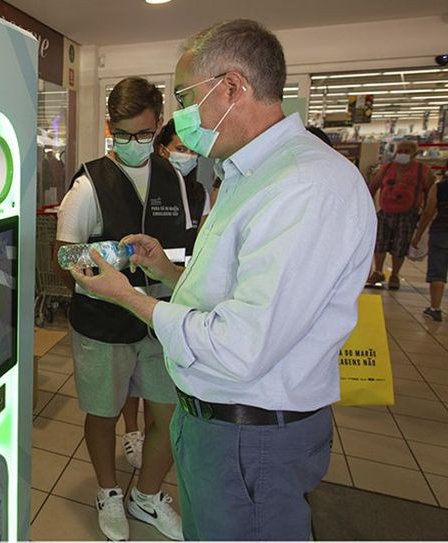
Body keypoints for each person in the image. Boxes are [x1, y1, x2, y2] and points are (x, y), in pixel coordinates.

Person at [70, 20, 376, 540]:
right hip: (221, 424)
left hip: (249, 435)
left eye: (187, 98)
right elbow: (235, 284)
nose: (183, 120)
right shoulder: (250, 173)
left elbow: (240, 346)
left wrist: (128, 296)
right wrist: (167, 271)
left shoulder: (302, 187)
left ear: (232, 88)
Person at [54, 77, 186, 542]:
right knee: (104, 413)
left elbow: (185, 249)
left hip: (160, 318)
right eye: (124, 134)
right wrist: (114, 257)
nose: (134, 144)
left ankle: (147, 496)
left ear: (158, 126)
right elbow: (65, 255)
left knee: (169, 414)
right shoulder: (89, 185)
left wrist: (166, 269)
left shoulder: (173, 178)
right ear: (110, 126)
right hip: (103, 323)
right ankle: (109, 491)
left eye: (145, 134)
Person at [119, 118, 210, 471]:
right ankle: (131, 430)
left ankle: (159, 440)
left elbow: (198, 239)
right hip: (135, 289)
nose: (186, 156)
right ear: (162, 148)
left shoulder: (198, 192)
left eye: (191, 150)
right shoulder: (143, 185)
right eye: (179, 149)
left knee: (160, 380)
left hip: (176, 291)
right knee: (129, 372)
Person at [366, 140, 435, 289]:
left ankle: (395, 274)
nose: (402, 154)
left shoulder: (422, 171)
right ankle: (378, 271)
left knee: (400, 246)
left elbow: (431, 193)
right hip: (385, 212)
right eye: (400, 150)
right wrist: (366, 206)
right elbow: (373, 186)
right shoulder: (387, 168)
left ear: (414, 154)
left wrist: (426, 213)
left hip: (407, 215)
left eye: (406, 151)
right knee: (379, 243)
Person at [411, 178, 447, 322]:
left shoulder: (440, 187)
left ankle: (435, 309)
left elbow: (428, 212)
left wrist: (418, 235)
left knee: (437, 273)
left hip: (441, 233)